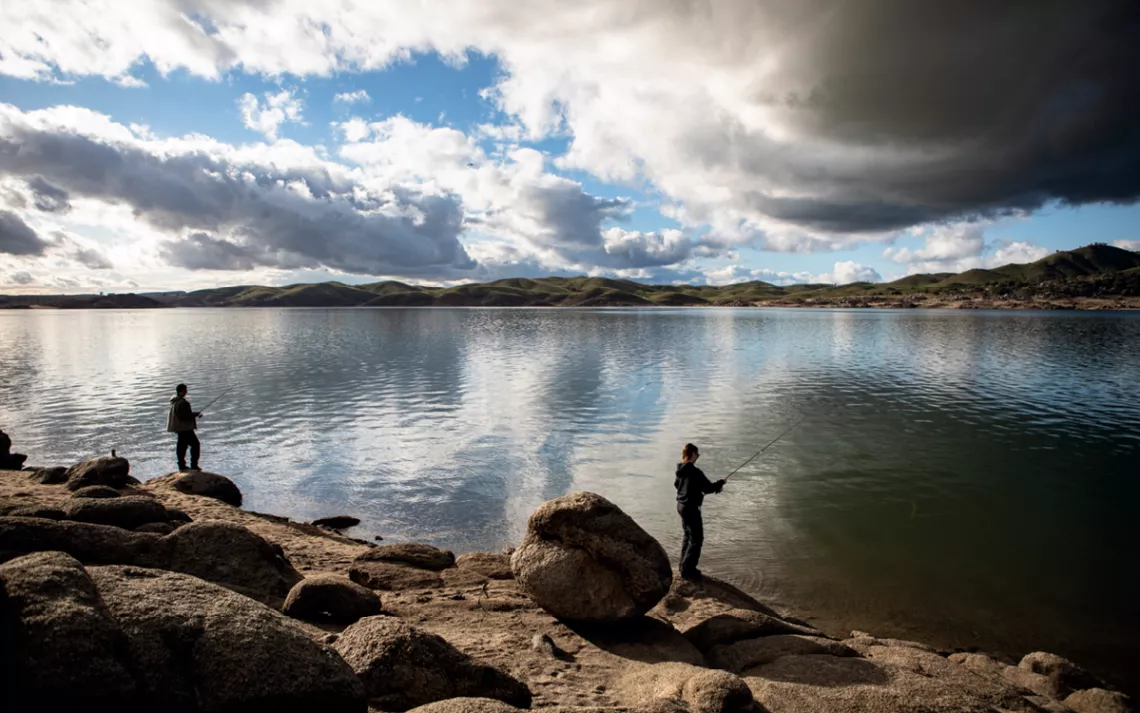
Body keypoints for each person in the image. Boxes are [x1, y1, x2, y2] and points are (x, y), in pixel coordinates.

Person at [674, 443, 725, 581]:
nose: (698, 457)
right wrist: (720, 483)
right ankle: (689, 571)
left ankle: (683, 566)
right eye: (698, 454)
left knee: (688, 536)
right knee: (697, 539)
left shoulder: (680, 470)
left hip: (681, 506)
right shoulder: (694, 471)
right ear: (693, 454)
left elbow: (677, 485)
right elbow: (707, 487)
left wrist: (695, 491)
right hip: (691, 508)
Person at [167, 383, 202, 471]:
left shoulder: (175, 401)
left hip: (179, 429)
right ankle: (194, 465)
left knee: (181, 446)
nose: (186, 392)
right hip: (185, 428)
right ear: (182, 391)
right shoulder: (182, 403)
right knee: (195, 445)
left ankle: (181, 465)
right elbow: (184, 416)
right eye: (185, 390)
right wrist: (196, 414)